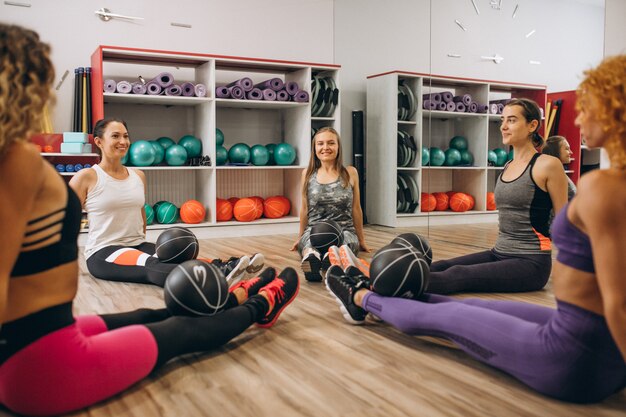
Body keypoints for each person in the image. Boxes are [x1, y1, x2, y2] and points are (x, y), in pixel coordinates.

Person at [0, 24, 299, 416]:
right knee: (183, 331)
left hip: (47, 335)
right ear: (28, 88)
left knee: (148, 314)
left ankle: (236, 292)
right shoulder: (16, 164)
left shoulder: (18, 159)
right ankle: (261, 304)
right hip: (41, 369)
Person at [326, 55, 626, 403]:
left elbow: (619, 303)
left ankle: (361, 296)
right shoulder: (598, 184)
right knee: (473, 304)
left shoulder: (604, 187)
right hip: (589, 340)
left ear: (616, 110)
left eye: (589, 106)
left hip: (572, 357)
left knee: (453, 313)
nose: (578, 116)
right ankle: (377, 282)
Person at [69, 118, 264, 287]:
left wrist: (139, 241)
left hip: (137, 244)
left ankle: (226, 266)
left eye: (126, 136)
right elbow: (65, 219)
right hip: (104, 252)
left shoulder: (138, 175)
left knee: (179, 255)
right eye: (115, 136)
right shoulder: (86, 177)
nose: (123, 141)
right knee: (151, 265)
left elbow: (141, 213)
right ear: (98, 141)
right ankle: (218, 276)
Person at [426, 98, 569, 294]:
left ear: (532, 125)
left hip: (530, 262)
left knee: (458, 274)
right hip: (499, 253)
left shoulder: (548, 165)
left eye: (511, 120)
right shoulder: (508, 165)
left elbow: (564, 221)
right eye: (502, 120)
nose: (503, 126)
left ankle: (387, 287)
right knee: (442, 265)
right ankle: (381, 278)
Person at [290, 127, 370, 281]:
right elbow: (305, 208)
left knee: (347, 245)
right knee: (308, 246)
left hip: (344, 229)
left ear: (338, 147)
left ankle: (330, 258)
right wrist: (300, 237)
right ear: (315, 148)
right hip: (314, 229)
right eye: (320, 144)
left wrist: (361, 240)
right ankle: (311, 259)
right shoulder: (307, 173)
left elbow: (356, 208)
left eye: (331, 143)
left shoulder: (350, 172)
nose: (325, 147)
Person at [542, 135, 577, 201]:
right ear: (555, 151)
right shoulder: (555, 176)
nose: (571, 152)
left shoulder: (557, 174)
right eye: (567, 149)